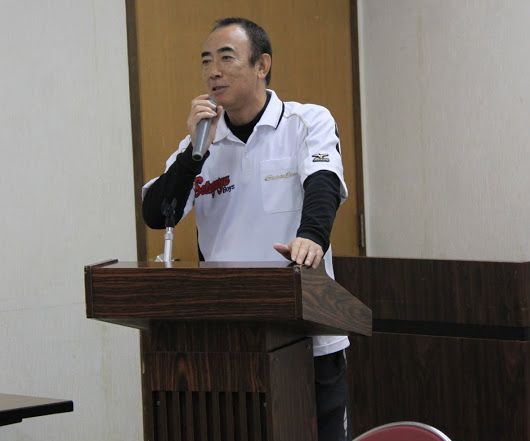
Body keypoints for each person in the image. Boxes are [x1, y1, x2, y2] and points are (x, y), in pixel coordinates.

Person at [142, 17, 350, 441]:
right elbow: (157, 213)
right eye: (206, 61)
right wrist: (194, 154)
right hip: (226, 338)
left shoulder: (305, 121)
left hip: (306, 331)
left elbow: (323, 182)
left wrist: (311, 236)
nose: (213, 71)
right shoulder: (201, 142)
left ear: (261, 65)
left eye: (226, 58)